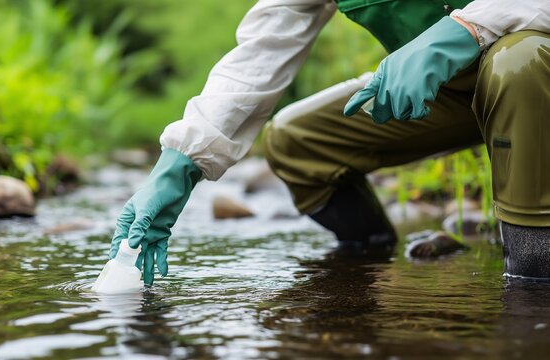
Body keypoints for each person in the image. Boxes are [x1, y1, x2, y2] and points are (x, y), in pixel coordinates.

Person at [109, 0, 550, 285]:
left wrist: (466, 29)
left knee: (519, 61)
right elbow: (261, 52)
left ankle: (533, 279)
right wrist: (180, 163)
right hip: (449, 91)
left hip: (533, 68)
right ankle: (373, 264)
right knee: (295, 141)